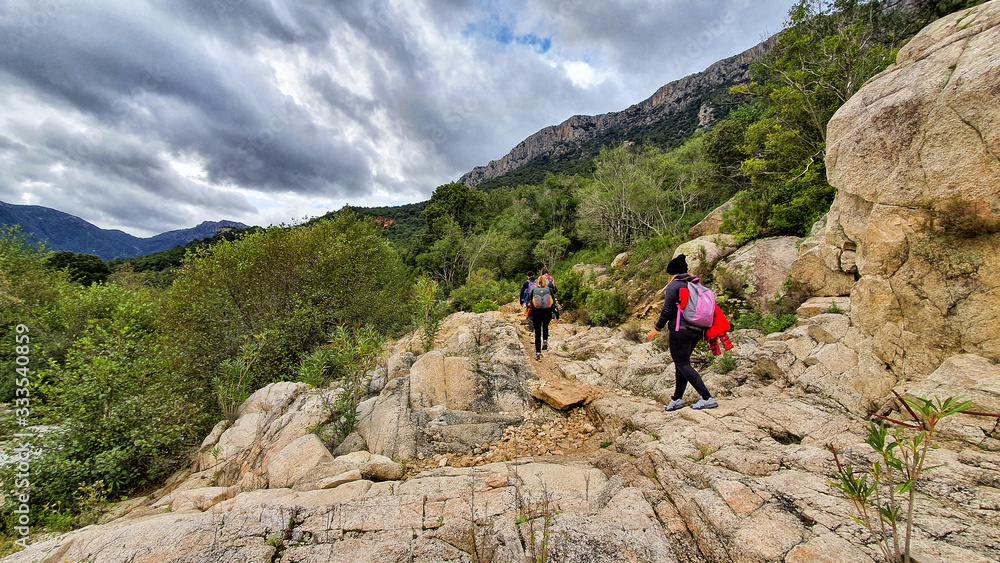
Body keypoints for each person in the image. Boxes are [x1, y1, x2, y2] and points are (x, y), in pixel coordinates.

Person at [647, 254, 718, 410]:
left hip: (681, 329)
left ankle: (706, 397)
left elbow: (667, 310)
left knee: (682, 363)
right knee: (681, 363)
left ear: (672, 273)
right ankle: (677, 399)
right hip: (698, 329)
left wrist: (656, 329)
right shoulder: (695, 284)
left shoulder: (675, 285)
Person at [531, 274, 555, 361]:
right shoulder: (549, 290)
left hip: (537, 313)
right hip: (547, 312)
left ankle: (538, 353)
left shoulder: (534, 290)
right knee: (545, 326)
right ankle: (545, 340)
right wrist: (556, 314)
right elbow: (553, 303)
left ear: (537, 282)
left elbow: (530, 303)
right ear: (546, 282)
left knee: (537, 333)